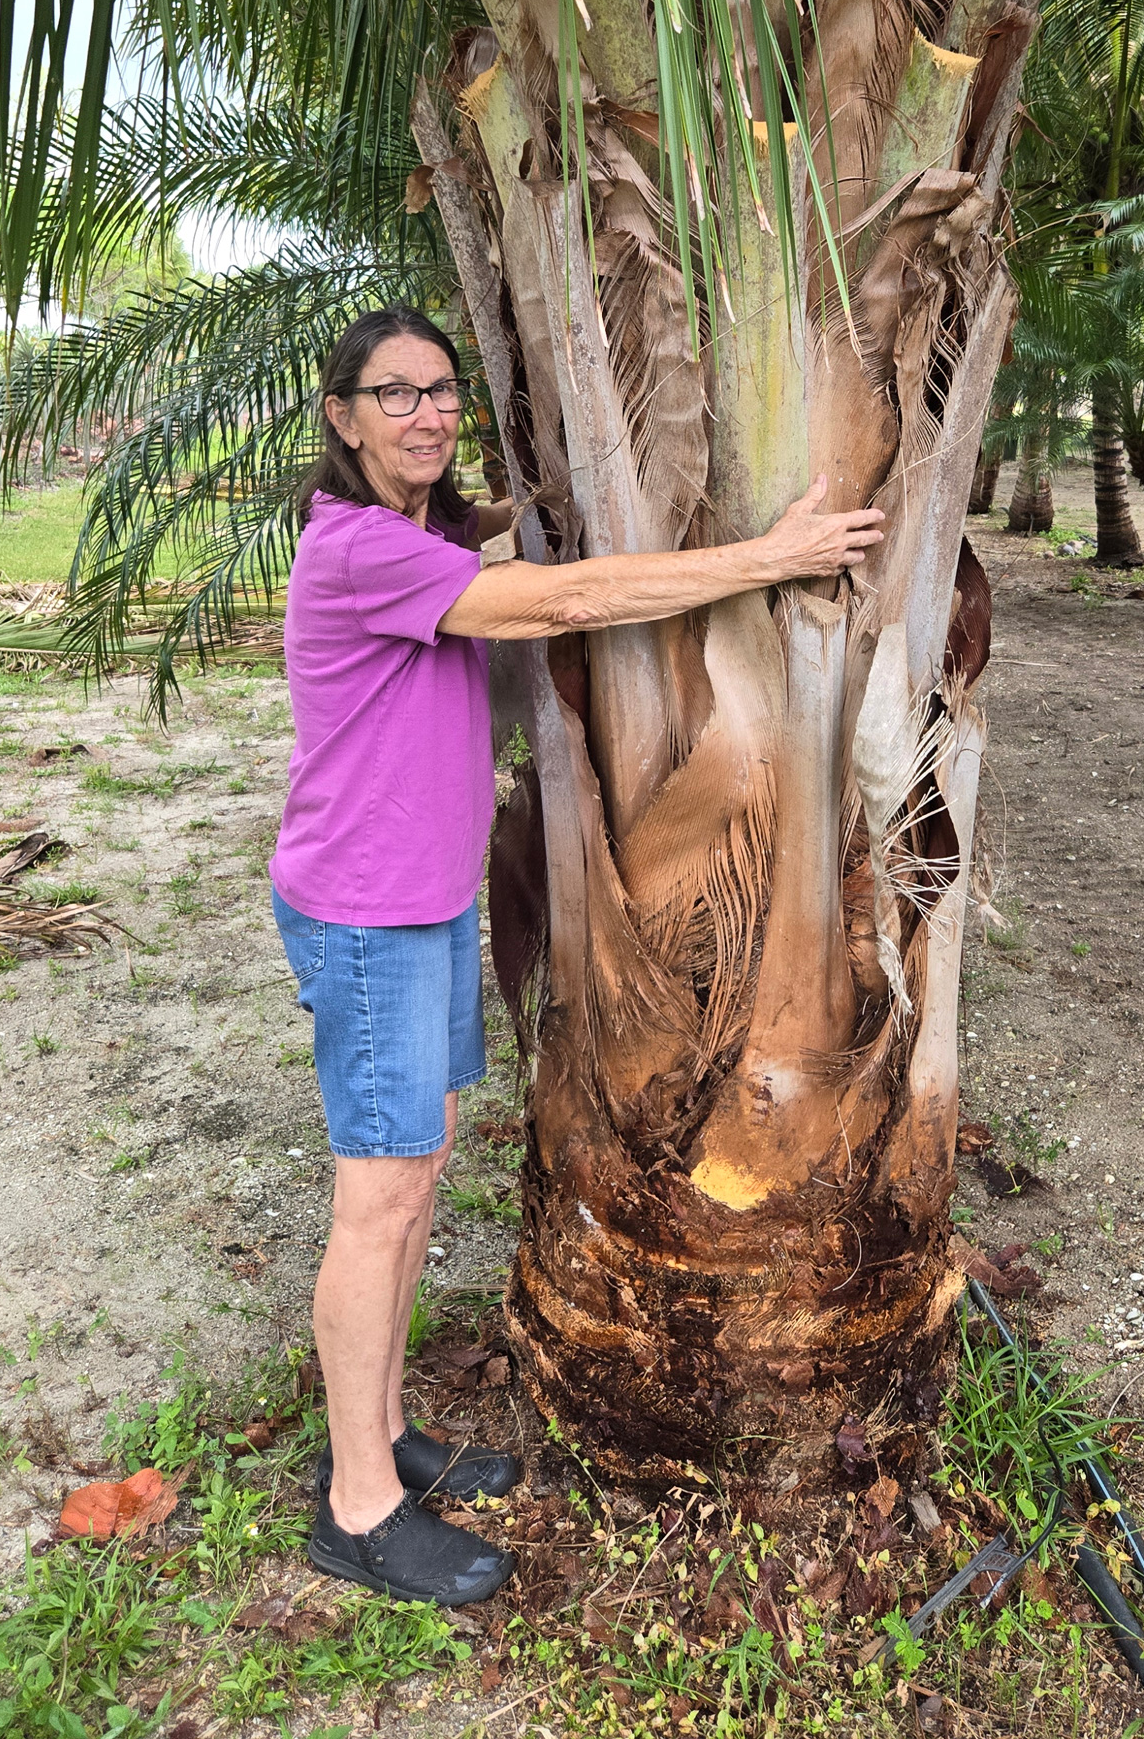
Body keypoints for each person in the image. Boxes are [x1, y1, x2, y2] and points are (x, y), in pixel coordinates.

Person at [272, 304, 885, 1605]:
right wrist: (768, 556)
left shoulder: (422, 534)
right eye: (396, 394)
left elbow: (514, 541)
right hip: (370, 918)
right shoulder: (361, 552)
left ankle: (385, 1434)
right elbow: (574, 598)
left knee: (420, 1163)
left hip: (420, 905)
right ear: (341, 416)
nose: (429, 412)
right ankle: (358, 1507)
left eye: (443, 392)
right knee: (377, 1202)